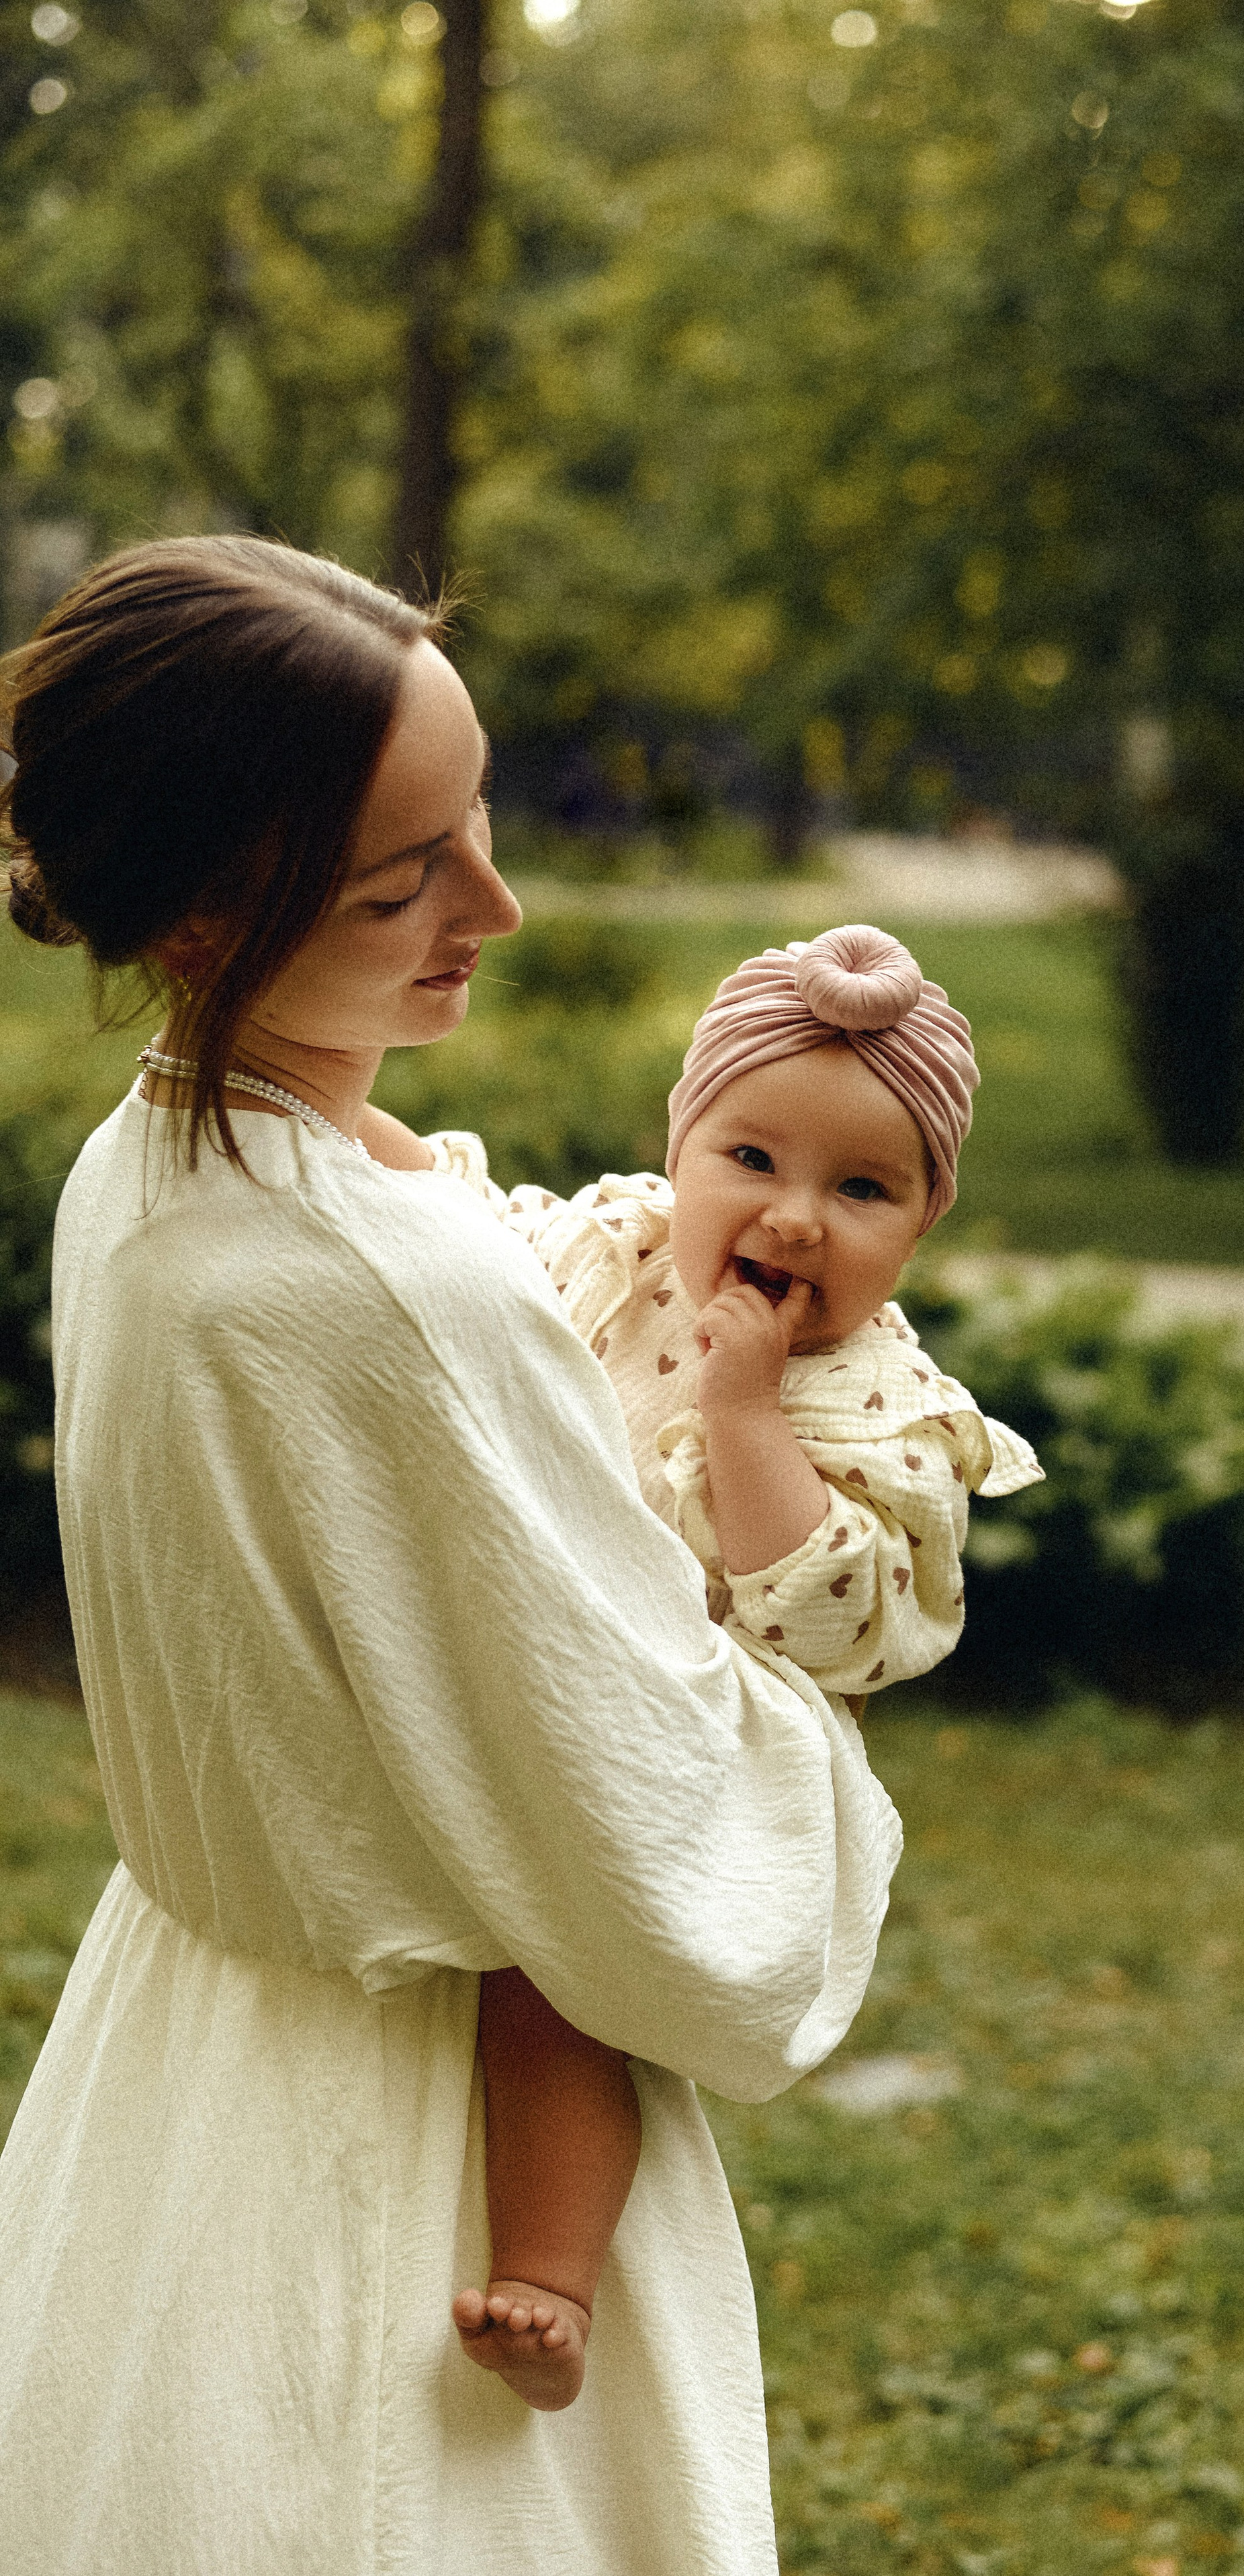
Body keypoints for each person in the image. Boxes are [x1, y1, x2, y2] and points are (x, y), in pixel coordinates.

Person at [0, 535, 901, 2576]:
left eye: (477, 823)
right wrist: (812, 1683)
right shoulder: (375, 1290)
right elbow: (633, 1808)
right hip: (431, 2141)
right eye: (406, 880)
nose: (491, 905)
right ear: (212, 906)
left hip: (182, 2069)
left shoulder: (142, 1164)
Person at [430, 924, 1041, 2407]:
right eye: (750, 1157)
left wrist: (746, 1415)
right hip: (515, 1666)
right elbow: (461, 1241)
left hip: (669, 1749)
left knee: (553, 1991)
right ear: (678, 1144)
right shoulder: (613, 1243)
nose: (794, 1216)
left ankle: (548, 2277)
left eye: (860, 1188)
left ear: (921, 1224)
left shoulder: (876, 1402)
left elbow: (841, 1625)